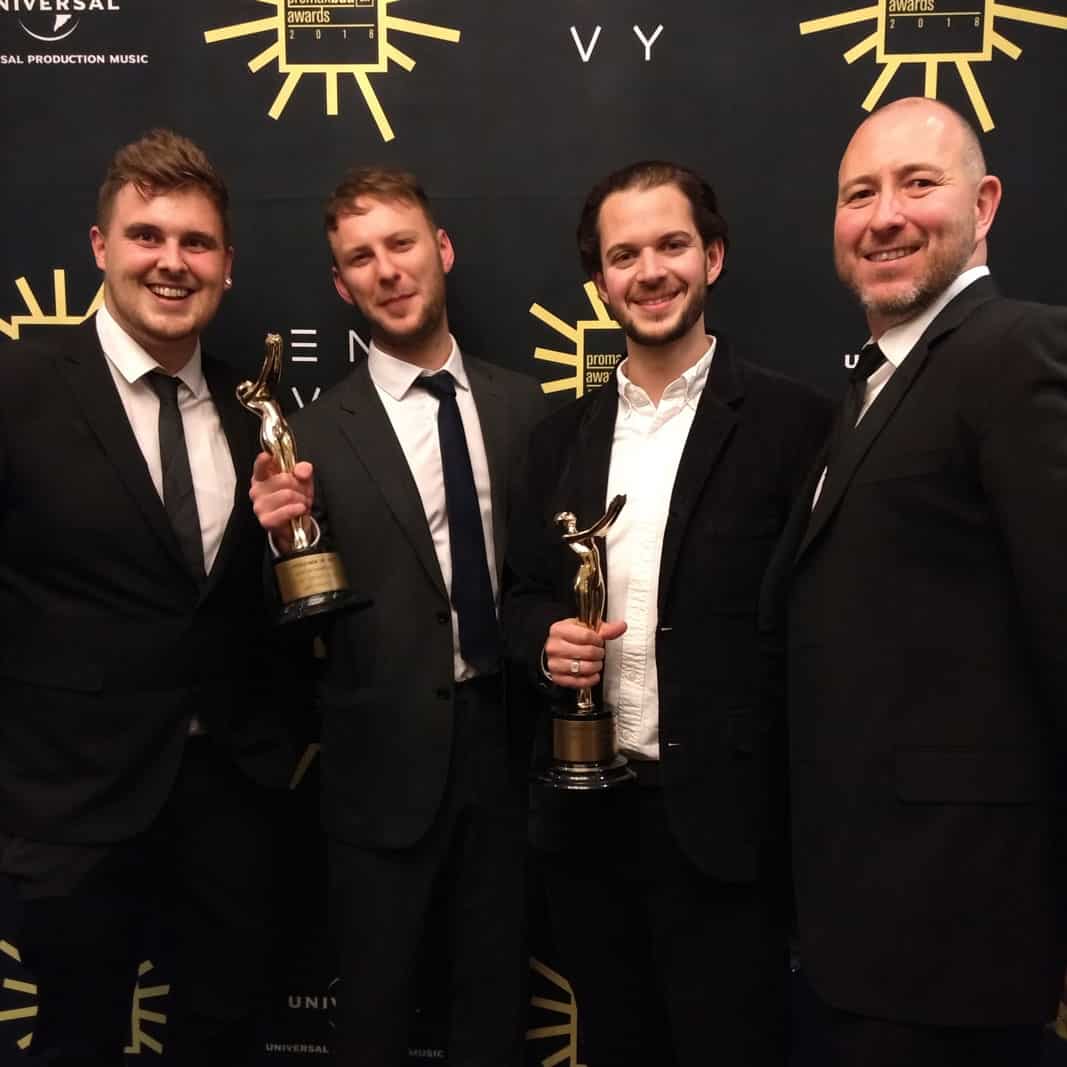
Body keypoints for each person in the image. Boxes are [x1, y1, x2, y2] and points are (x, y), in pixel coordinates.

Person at [502, 160, 832, 1066]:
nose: (649, 272)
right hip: (590, 823)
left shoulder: (796, 425)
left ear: (712, 257)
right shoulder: (555, 438)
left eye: (671, 245)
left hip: (728, 831)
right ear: (599, 281)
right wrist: (542, 640)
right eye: (624, 255)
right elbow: (519, 595)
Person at [780, 97, 1067, 1067]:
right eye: (858, 194)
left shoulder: (1013, 352)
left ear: (982, 205)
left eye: (916, 184)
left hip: (961, 923)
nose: (883, 216)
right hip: (857, 919)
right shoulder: (870, 386)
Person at [0, 129, 295, 1065]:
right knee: (74, 1037)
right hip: (71, 808)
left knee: (226, 1033)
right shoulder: (16, 389)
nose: (172, 261)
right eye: (147, 235)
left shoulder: (256, 413)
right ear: (100, 247)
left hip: (230, 801)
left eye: (196, 242)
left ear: (226, 265)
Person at [248, 167, 544, 1066]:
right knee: (371, 1015)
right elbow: (287, 625)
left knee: (494, 1010)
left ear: (441, 248)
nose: (387, 269)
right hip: (378, 768)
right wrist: (278, 543)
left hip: (508, 754)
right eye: (360, 258)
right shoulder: (309, 435)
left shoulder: (525, 407)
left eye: (401, 243)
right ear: (341, 285)